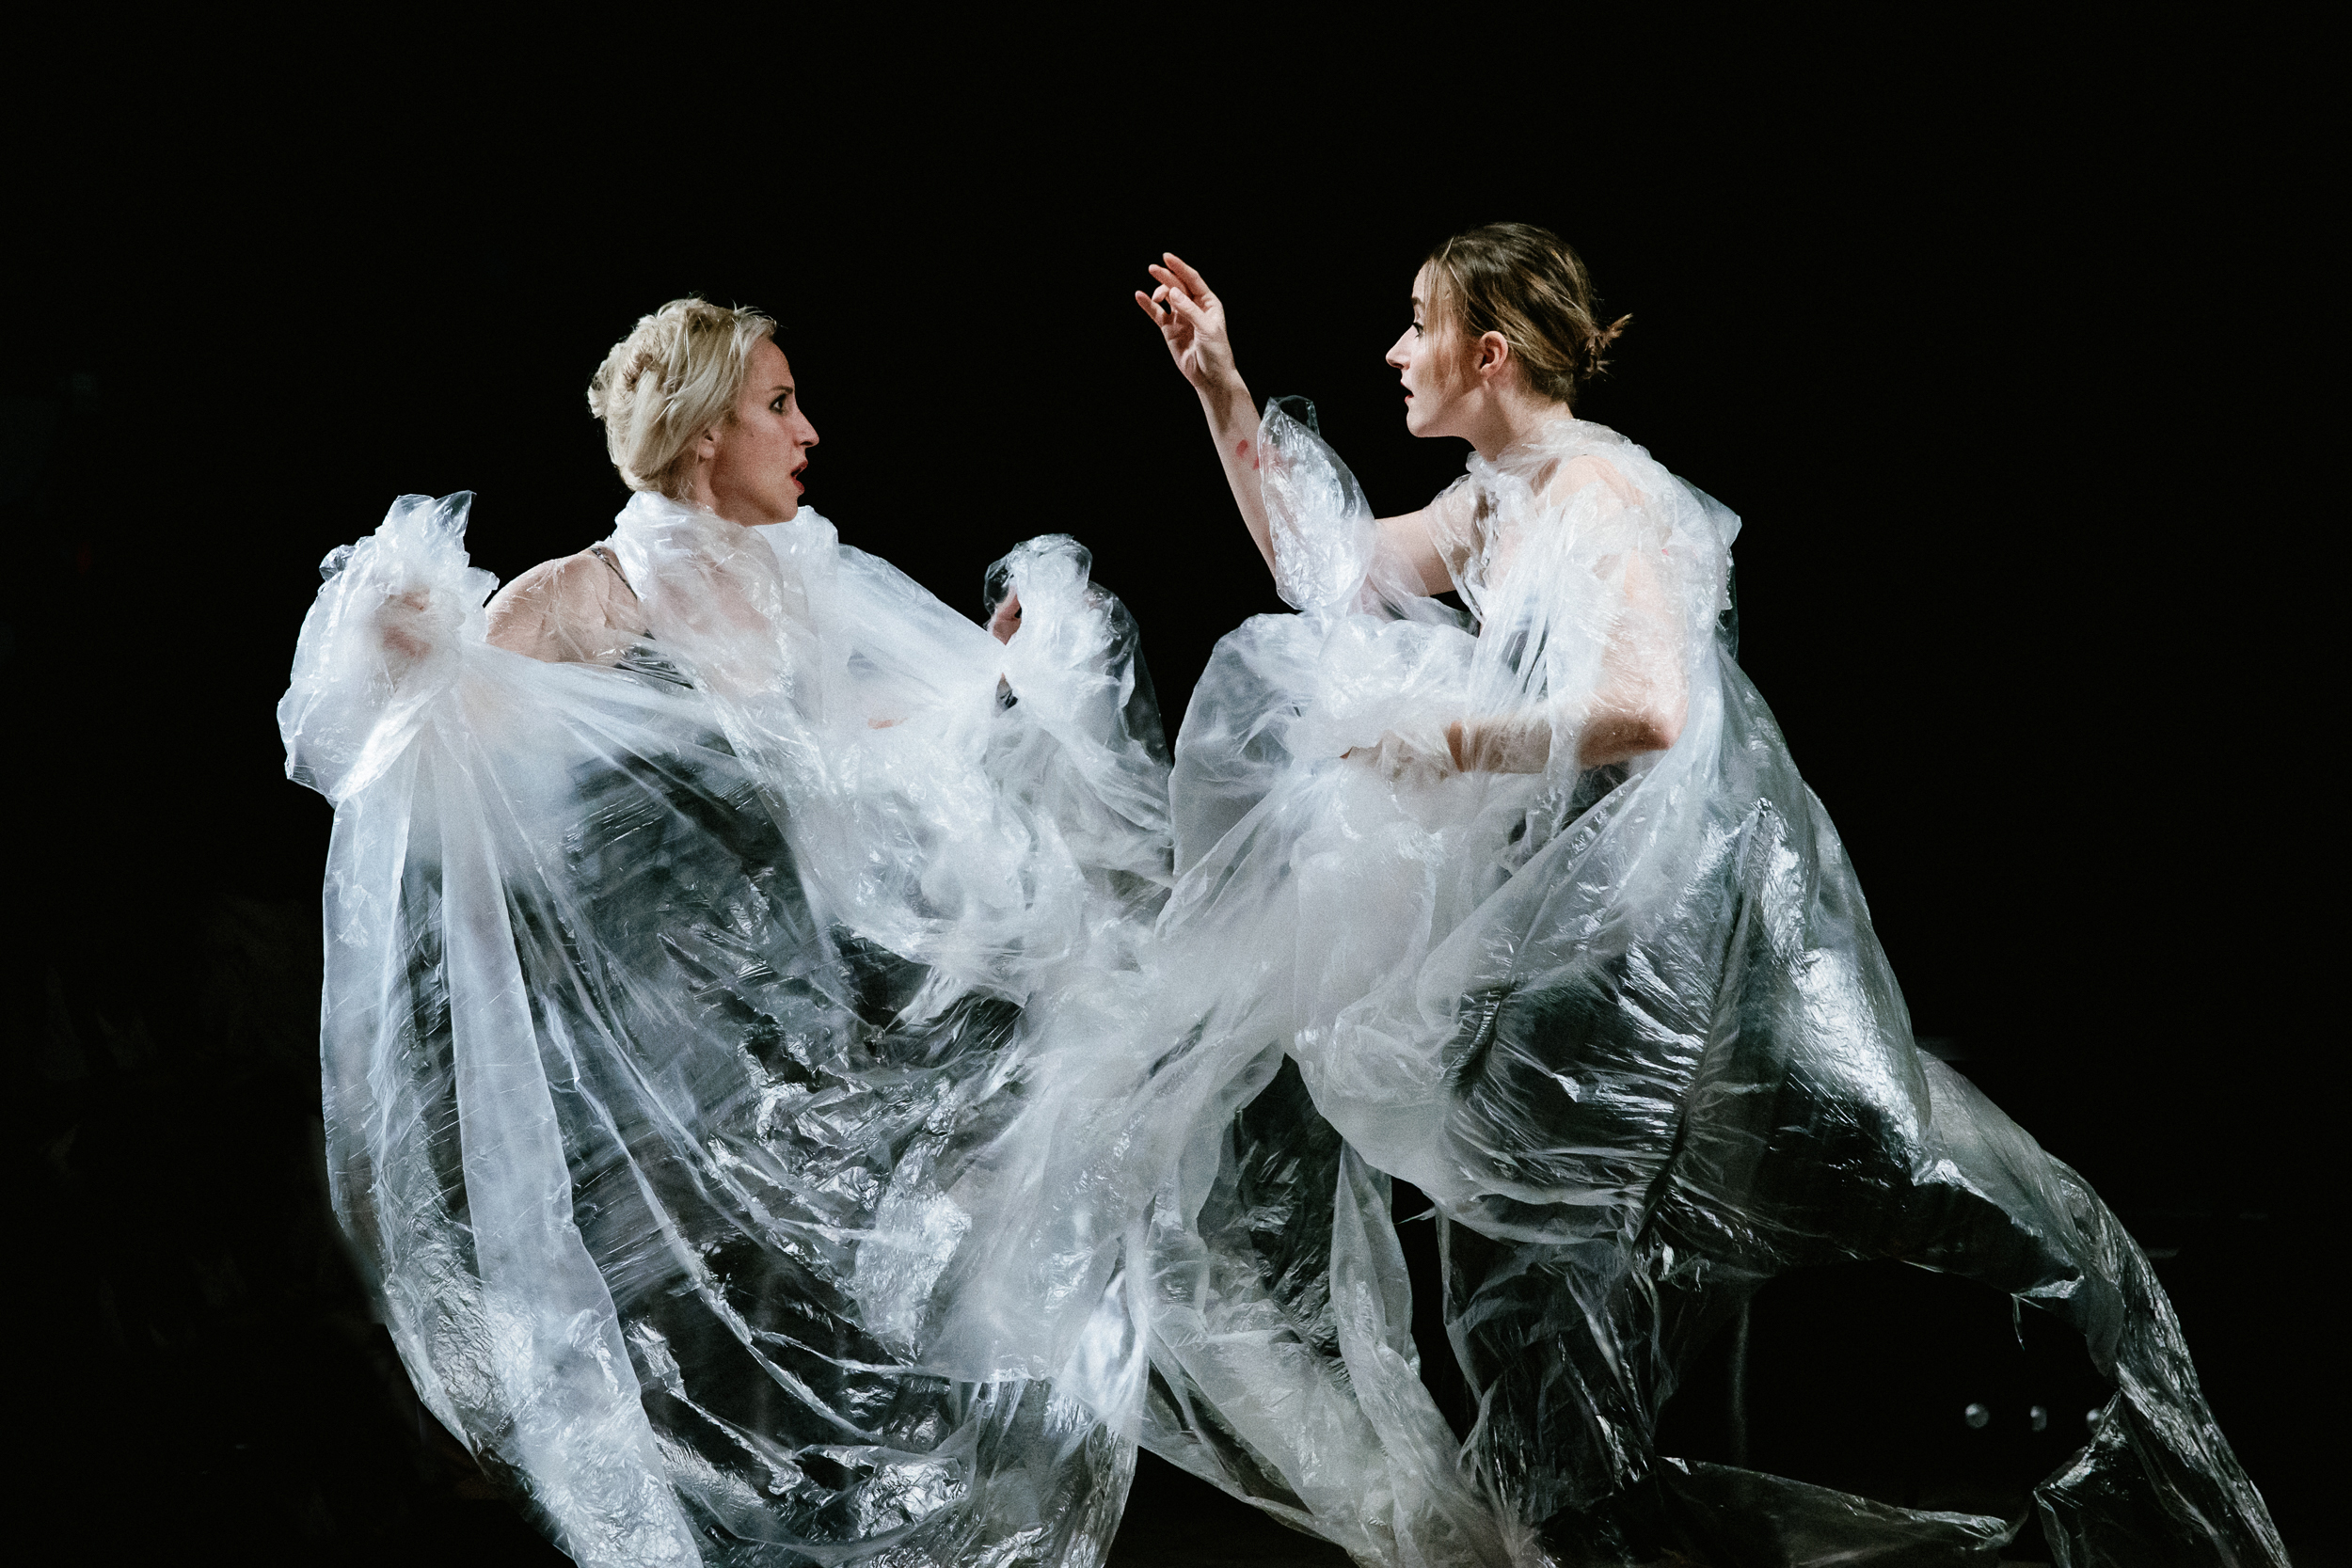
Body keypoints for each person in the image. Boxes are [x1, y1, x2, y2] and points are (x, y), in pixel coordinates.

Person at [910, 230, 2287, 1566]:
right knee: (1544, 1296)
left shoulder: (1603, 495)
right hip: (1586, 963)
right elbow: (1331, 570)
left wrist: (1450, 741)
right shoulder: (1499, 496)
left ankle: (2089, 1473)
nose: (1395, 351)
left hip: (1680, 963)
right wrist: (1221, 389)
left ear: (1489, 352)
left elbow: (1646, 704)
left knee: (1763, 1224)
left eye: (1419, 322)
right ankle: (1589, 1528)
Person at [280, 297, 1170, 1566]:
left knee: (864, 1384)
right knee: (707, 1408)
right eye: (778, 405)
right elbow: (464, 768)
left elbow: (854, 761)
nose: (807, 432)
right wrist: (403, 660)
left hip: (805, 1064)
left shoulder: (798, 591)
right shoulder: (586, 598)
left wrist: (986, 680)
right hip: (659, 1095)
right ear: (704, 432)